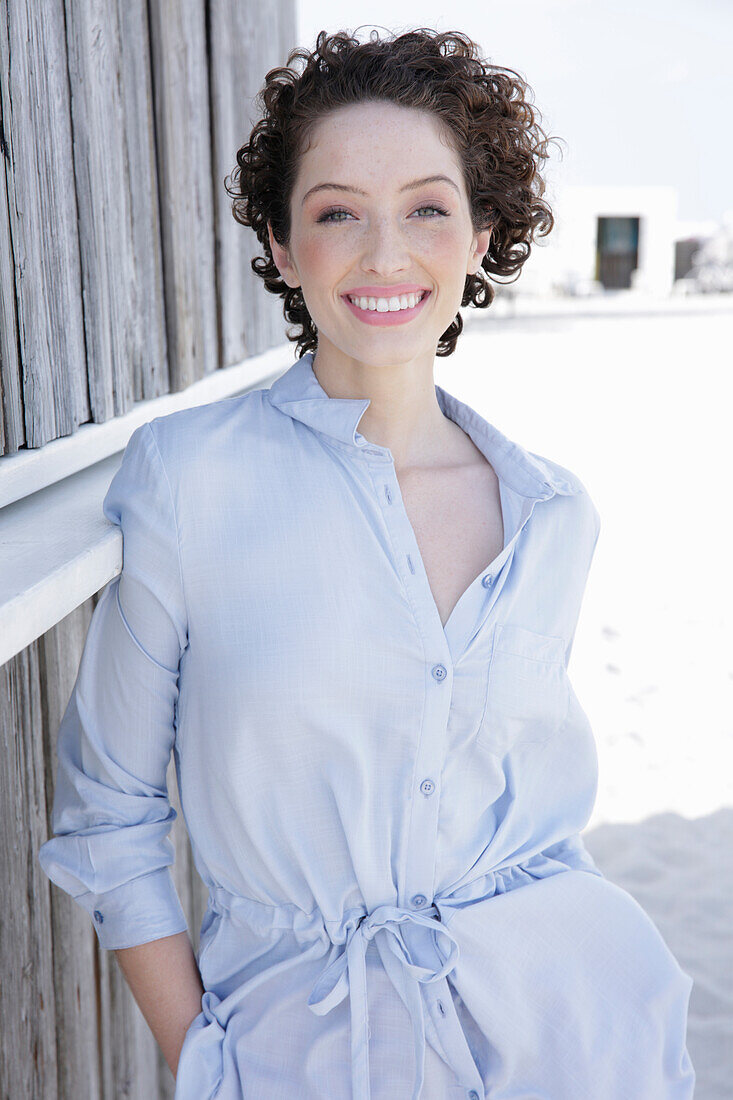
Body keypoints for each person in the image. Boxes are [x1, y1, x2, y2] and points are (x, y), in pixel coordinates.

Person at [39, 27, 696, 1100]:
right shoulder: (189, 478)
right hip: (302, 1054)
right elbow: (107, 812)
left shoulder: (552, 511)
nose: (386, 255)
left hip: (573, 1034)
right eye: (338, 211)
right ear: (283, 245)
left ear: (482, 235)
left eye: (428, 209)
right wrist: (202, 1057)